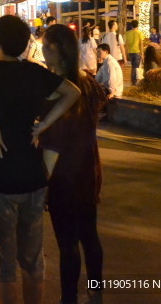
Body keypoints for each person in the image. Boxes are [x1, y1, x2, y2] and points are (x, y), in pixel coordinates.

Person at [0, 14, 80, 304]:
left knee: (2, 263)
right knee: (32, 259)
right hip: (32, 175)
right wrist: (44, 124)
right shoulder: (35, 72)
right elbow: (72, 92)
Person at [39, 24, 107, 304]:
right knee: (89, 235)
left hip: (62, 174)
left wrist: (43, 183)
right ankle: (95, 290)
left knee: (67, 243)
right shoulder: (88, 82)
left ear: (55, 50)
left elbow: (53, 143)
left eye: (45, 47)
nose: (42, 53)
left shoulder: (57, 90)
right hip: (88, 168)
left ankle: (69, 297)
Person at [123, 20, 145, 86]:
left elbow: (126, 45)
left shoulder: (127, 33)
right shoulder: (139, 33)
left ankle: (133, 81)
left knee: (133, 67)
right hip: (137, 52)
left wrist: (126, 53)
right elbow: (141, 44)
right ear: (137, 25)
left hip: (130, 52)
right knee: (136, 68)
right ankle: (134, 82)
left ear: (131, 25)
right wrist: (142, 53)